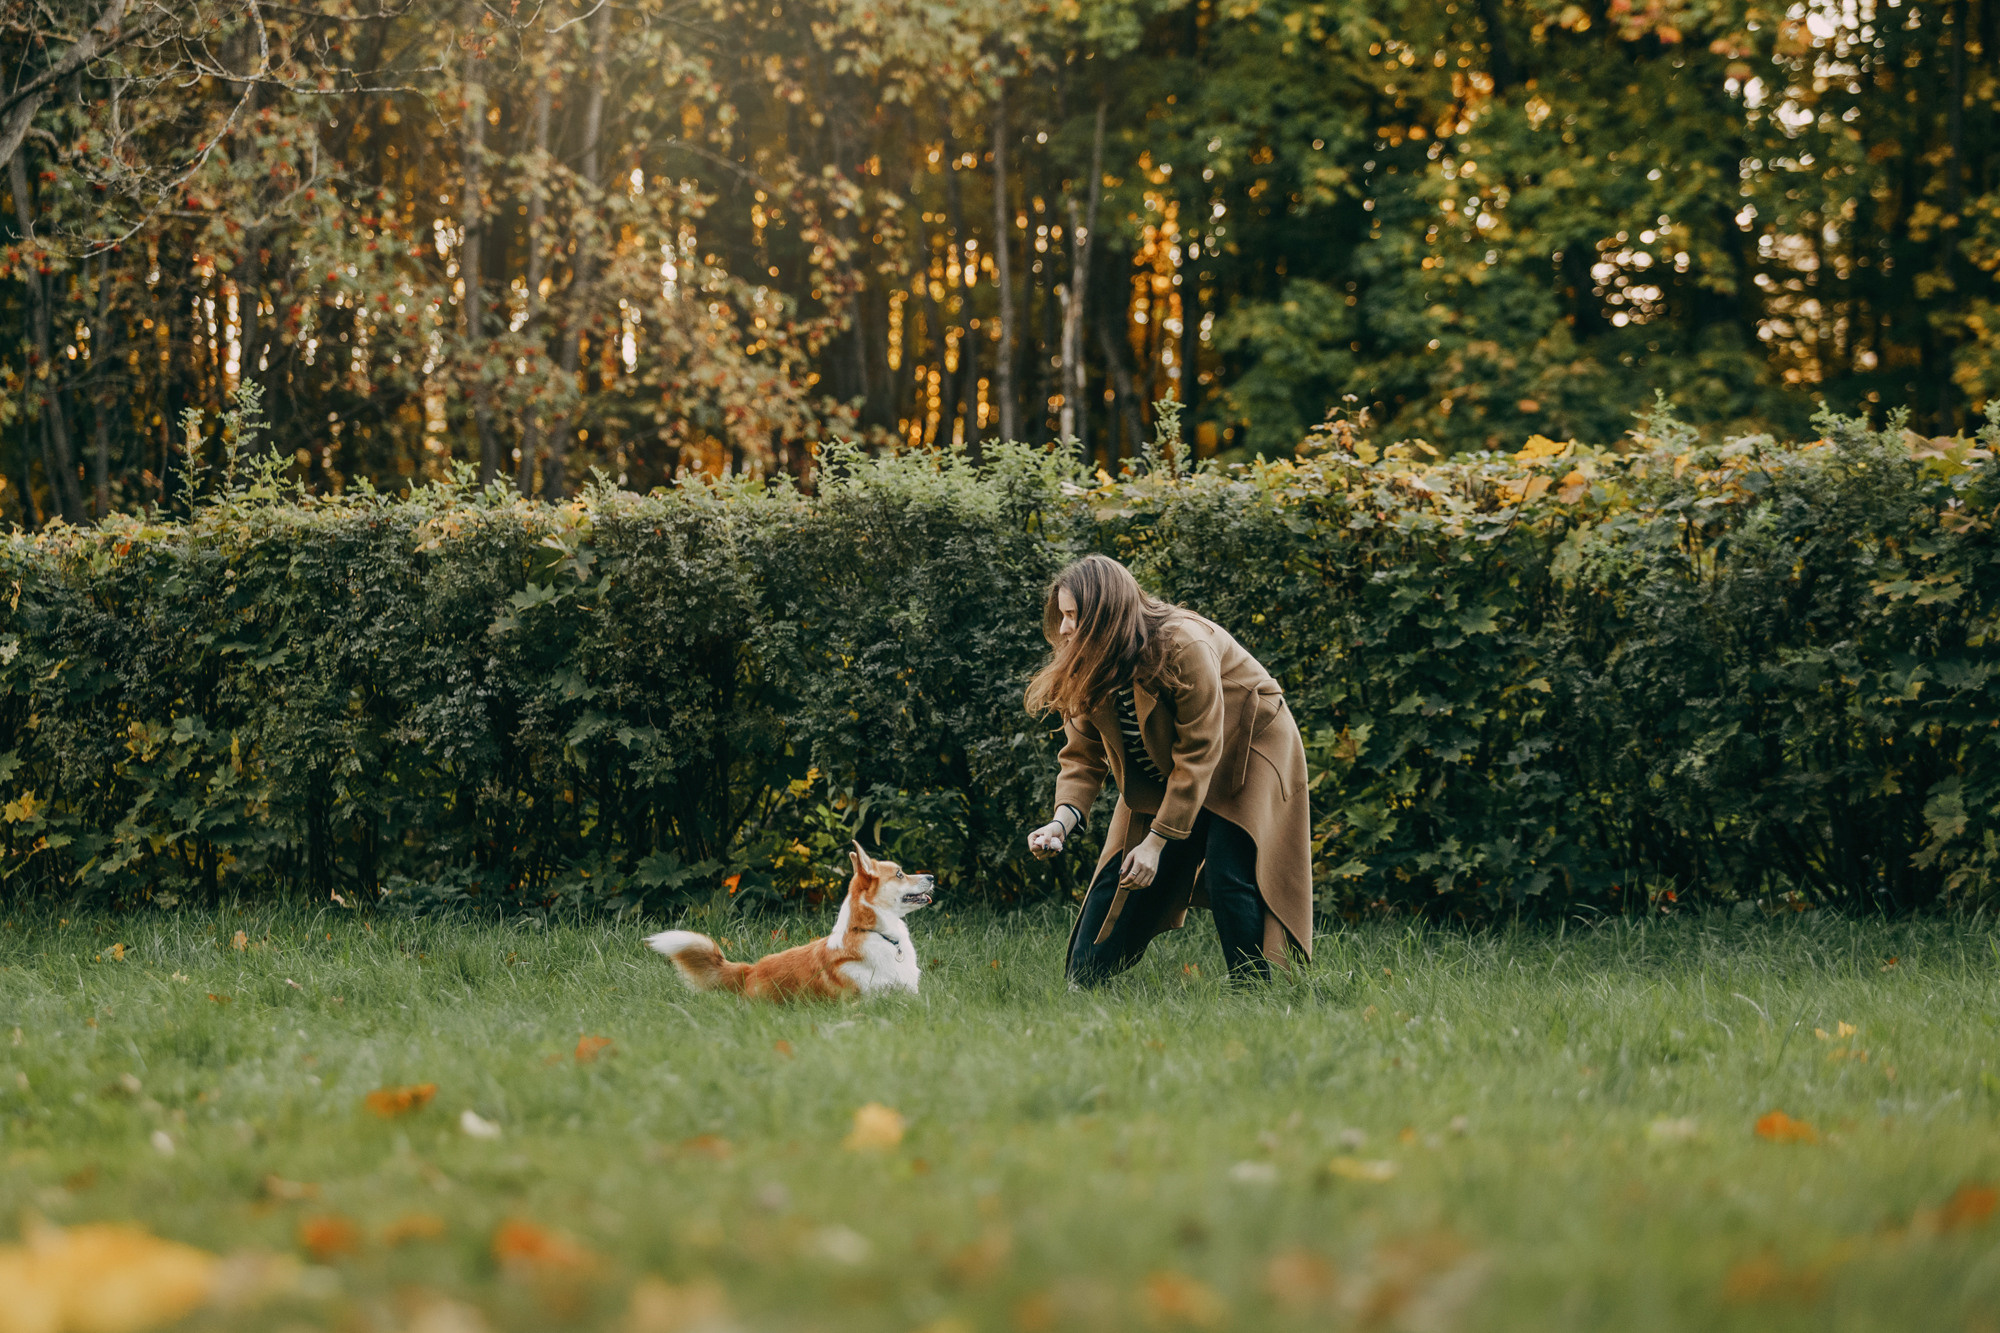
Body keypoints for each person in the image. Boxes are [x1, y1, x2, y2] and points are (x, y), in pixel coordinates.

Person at [1024, 555, 1311, 984]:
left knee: (1229, 868)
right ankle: (1085, 984)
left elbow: (1199, 752)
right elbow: (1082, 755)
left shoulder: (1184, 644)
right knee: (1119, 877)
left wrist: (1157, 843)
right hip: (1169, 767)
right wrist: (1059, 824)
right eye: (1062, 615)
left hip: (1247, 749)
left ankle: (1256, 993)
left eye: (1074, 616)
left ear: (1107, 616)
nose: (1064, 628)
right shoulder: (1087, 659)